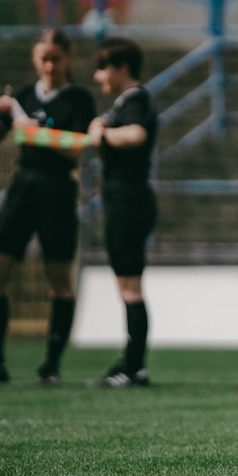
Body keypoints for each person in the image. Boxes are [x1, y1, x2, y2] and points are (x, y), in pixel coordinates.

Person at [0, 29, 97, 384]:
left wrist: (33, 131)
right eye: (43, 58)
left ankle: (51, 366)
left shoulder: (78, 99)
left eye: (55, 58)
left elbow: (77, 148)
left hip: (58, 190)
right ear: (35, 59)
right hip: (22, 188)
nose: (49, 65)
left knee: (60, 282)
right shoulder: (25, 95)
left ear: (67, 59)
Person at [86, 38, 160, 387]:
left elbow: (136, 134)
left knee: (130, 288)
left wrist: (103, 133)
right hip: (121, 202)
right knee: (127, 286)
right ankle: (132, 363)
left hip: (130, 202)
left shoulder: (136, 99)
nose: (99, 75)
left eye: (104, 67)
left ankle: (133, 367)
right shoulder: (122, 103)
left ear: (122, 68)